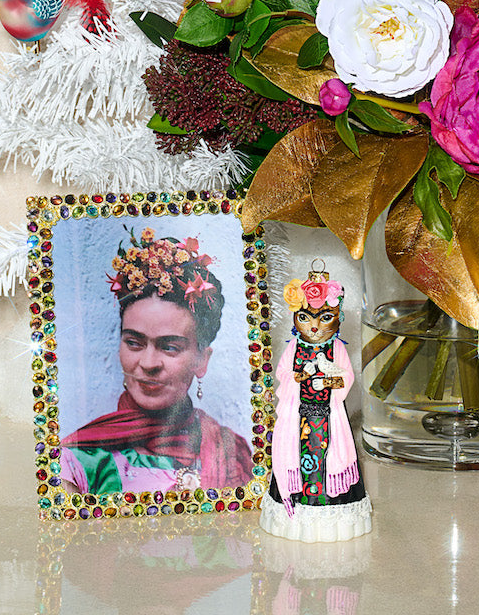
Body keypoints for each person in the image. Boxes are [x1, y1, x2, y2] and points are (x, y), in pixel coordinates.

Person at [61, 227, 253, 495]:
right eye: (134, 343)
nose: (149, 363)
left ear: (201, 360)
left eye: (170, 347)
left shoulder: (233, 455)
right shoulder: (76, 462)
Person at [260, 261, 372, 542]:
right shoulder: (294, 348)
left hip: (327, 418)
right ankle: (294, 512)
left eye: (324, 318)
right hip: (298, 419)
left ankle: (331, 512)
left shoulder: (336, 348)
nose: (314, 326)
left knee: (331, 459)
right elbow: (283, 374)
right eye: (305, 318)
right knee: (295, 458)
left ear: (338, 318)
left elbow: (346, 378)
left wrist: (328, 383)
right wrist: (300, 377)